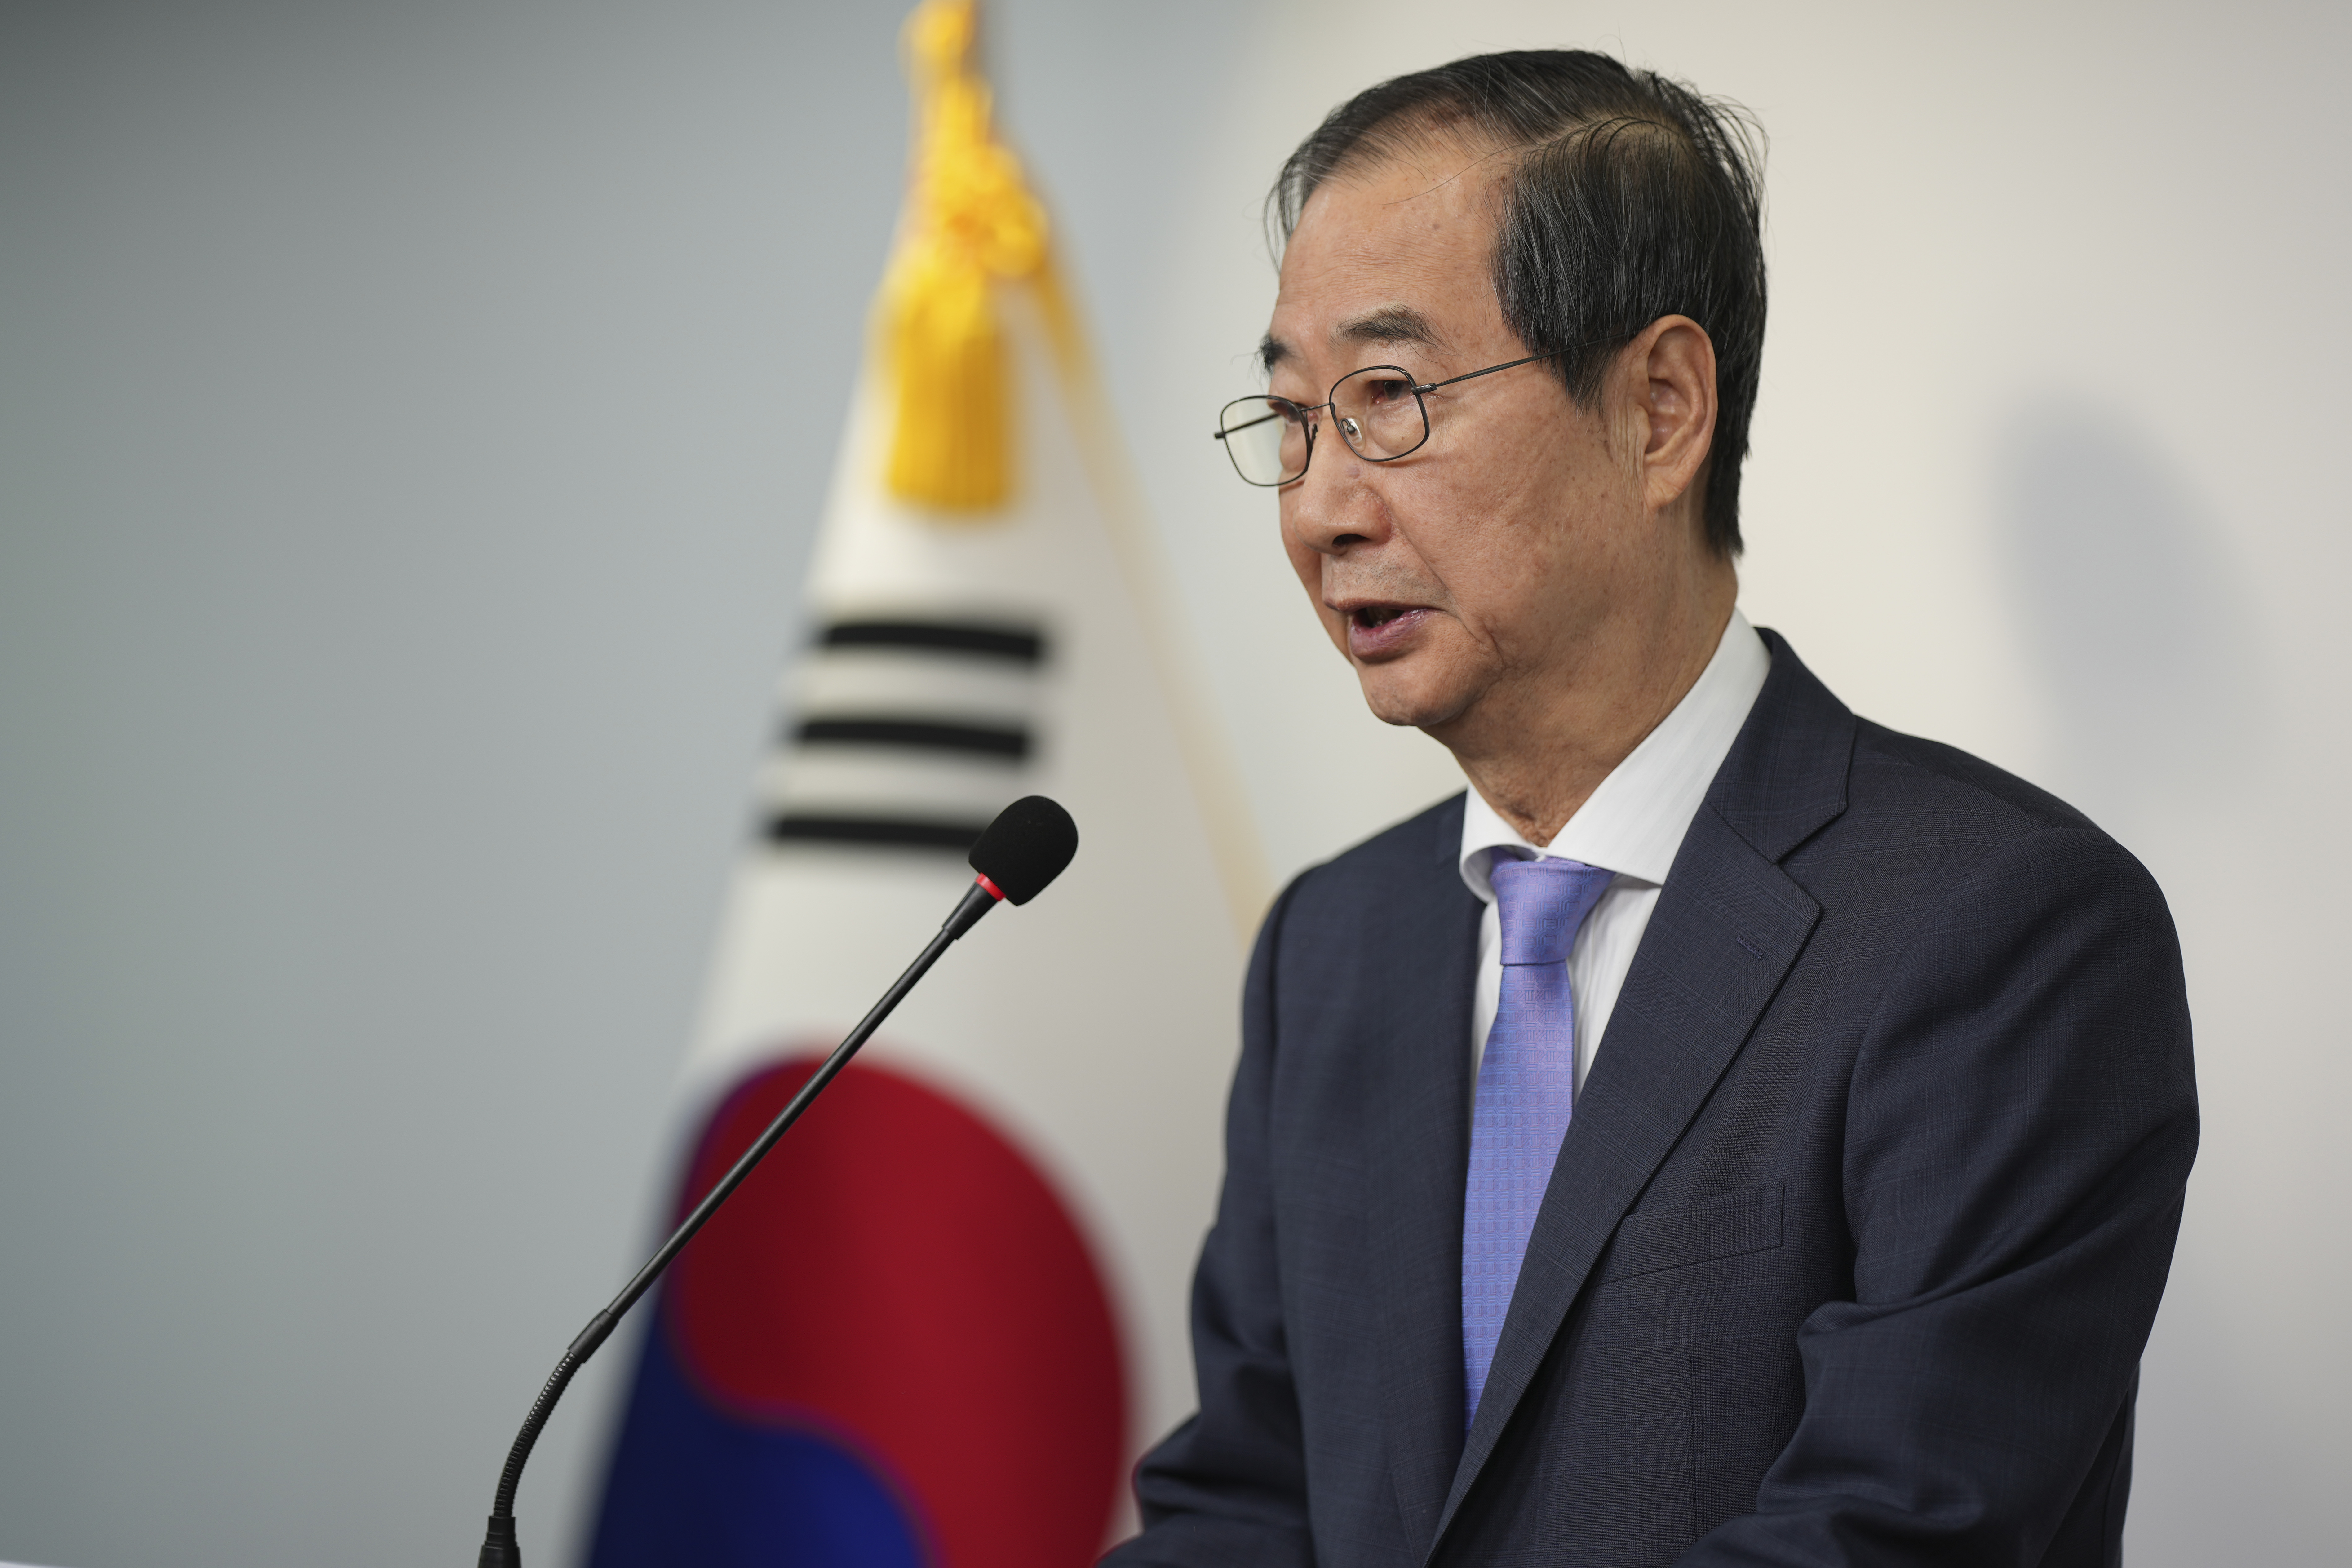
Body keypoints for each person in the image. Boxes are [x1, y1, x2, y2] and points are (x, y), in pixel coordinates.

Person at [1104, 49, 2197, 1568]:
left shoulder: (2002, 932)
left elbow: (1891, 1531)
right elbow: (1249, 1498)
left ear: (1661, 409)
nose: (1319, 506)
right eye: (1291, 418)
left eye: (1389, 399)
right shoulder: (1332, 948)